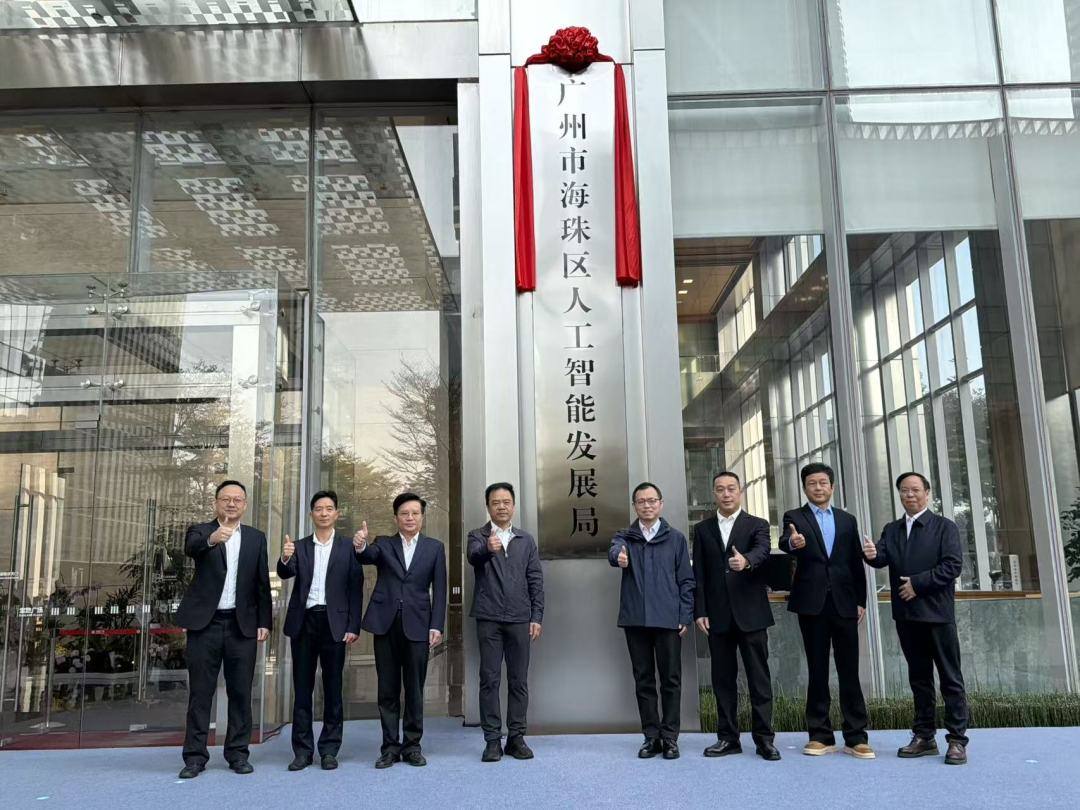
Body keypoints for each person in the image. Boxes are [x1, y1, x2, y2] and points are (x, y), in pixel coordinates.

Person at [863, 472, 969, 765]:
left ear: (927, 493)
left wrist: (917, 584)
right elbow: (881, 558)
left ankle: (957, 740)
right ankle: (924, 736)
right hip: (907, 616)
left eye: (915, 490)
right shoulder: (892, 529)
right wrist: (870, 554)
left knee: (950, 678)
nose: (909, 495)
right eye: (904, 491)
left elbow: (952, 566)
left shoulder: (944, 527)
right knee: (919, 679)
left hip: (937, 614)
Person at [176, 480, 271, 779]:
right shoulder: (200, 531)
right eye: (226, 499)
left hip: (242, 625)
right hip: (205, 624)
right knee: (200, 693)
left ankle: (238, 754)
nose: (231, 504)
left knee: (240, 692)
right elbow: (191, 549)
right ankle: (195, 757)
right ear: (216, 502)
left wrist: (264, 622)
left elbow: (261, 584)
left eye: (237, 500)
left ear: (245, 505)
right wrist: (213, 539)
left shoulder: (256, 538)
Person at [780, 462, 873, 759]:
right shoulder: (795, 517)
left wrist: (861, 600)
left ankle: (856, 736)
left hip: (845, 602)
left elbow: (855, 562)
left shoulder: (847, 520)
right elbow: (785, 542)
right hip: (812, 603)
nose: (818, 488)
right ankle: (820, 735)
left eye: (822, 483)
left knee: (849, 670)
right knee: (817, 669)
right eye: (812, 483)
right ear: (804, 488)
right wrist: (793, 543)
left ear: (832, 487)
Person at [354, 492, 447, 768]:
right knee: (388, 689)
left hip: (418, 624)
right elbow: (367, 555)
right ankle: (390, 748)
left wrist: (436, 624)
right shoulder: (384, 543)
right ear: (396, 518)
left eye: (415, 513)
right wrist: (361, 545)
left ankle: (412, 746)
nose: (410, 518)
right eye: (404, 513)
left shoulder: (434, 548)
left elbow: (440, 589)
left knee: (415, 689)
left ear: (422, 517)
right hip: (386, 624)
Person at [693, 471, 779, 761]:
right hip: (717, 616)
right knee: (722, 681)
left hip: (751, 614)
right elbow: (699, 573)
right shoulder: (703, 529)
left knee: (759, 679)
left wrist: (747, 561)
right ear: (714, 493)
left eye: (731, 488)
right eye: (720, 489)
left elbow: (762, 551)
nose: (726, 494)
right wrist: (700, 610)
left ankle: (764, 740)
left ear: (740, 491)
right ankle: (728, 738)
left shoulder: (757, 524)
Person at [277, 490, 363, 771]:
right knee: (302, 689)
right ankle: (302, 751)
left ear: (337, 513)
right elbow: (285, 573)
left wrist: (353, 625)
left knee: (333, 688)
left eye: (329, 508)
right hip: (304, 622)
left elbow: (355, 588)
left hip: (334, 623)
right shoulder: (299, 546)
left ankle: (329, 749)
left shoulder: (348, 547)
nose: (324, 513)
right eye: (318, 508)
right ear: (311, 514)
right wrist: (284, 558)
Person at [609, 482, 694, 760]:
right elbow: (614, 551)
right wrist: (619, 557)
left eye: (652, 500)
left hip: (668, 620)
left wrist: (684, 615)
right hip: (636, 620)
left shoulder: (676, 539)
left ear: (661, 503)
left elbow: (686, 581)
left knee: (671, 680)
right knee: (643, 680)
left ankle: (670, 738)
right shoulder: (626, 537)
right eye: (641, 501)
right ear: (634, 506)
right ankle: (651, 736)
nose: (647, 505)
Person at [467, 482, 544, 762]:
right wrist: (488, 548)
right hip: (489, 618)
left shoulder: (525, 540)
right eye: (495, 502)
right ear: (488, 506)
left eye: (506, 502)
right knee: (489, 679)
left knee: (518, 680)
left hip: (520, 619)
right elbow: (473, 557)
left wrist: (536, 616)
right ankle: (492, 740)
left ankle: (516, 738)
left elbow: (535, 579)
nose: (501, 507)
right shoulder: (478, 536)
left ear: (513, 505)